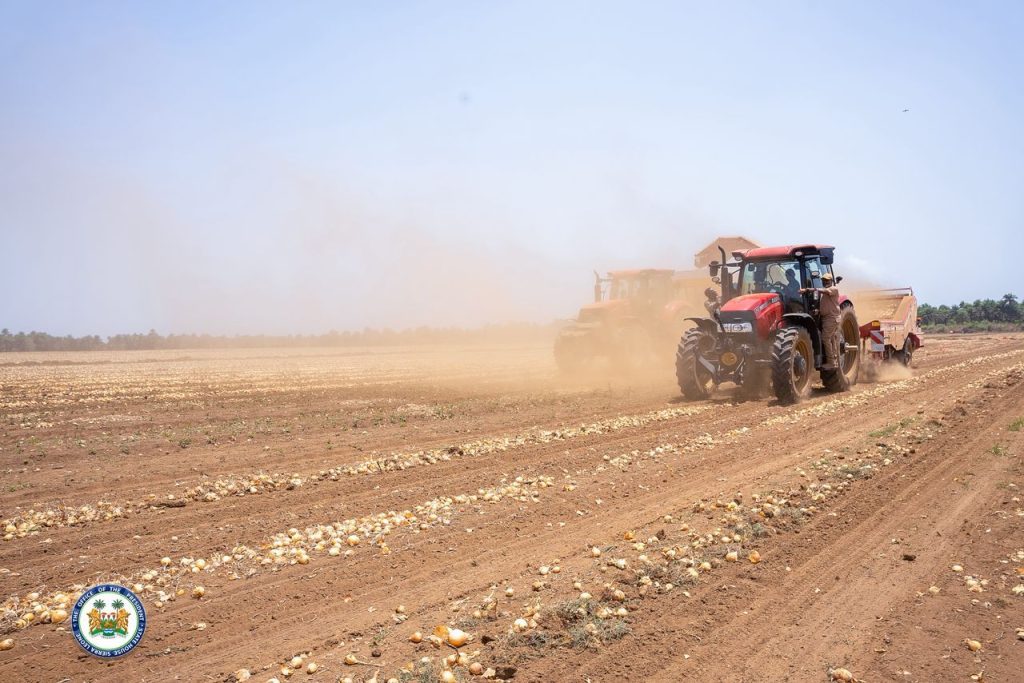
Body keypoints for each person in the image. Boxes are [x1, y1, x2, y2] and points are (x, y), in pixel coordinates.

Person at [801, 272, 841, 370]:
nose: (825, 282)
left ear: (831, 281)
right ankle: (835, 360)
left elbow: (824, 291)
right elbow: (826, 305)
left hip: (831, 318)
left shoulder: (833, 289)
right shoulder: (825, 293)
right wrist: (818, 311)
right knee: (831, 339)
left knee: (825, 338)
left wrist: (807, 290)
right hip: (828, 318)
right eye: (823, 281)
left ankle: (831, 363)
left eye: (827, 280)